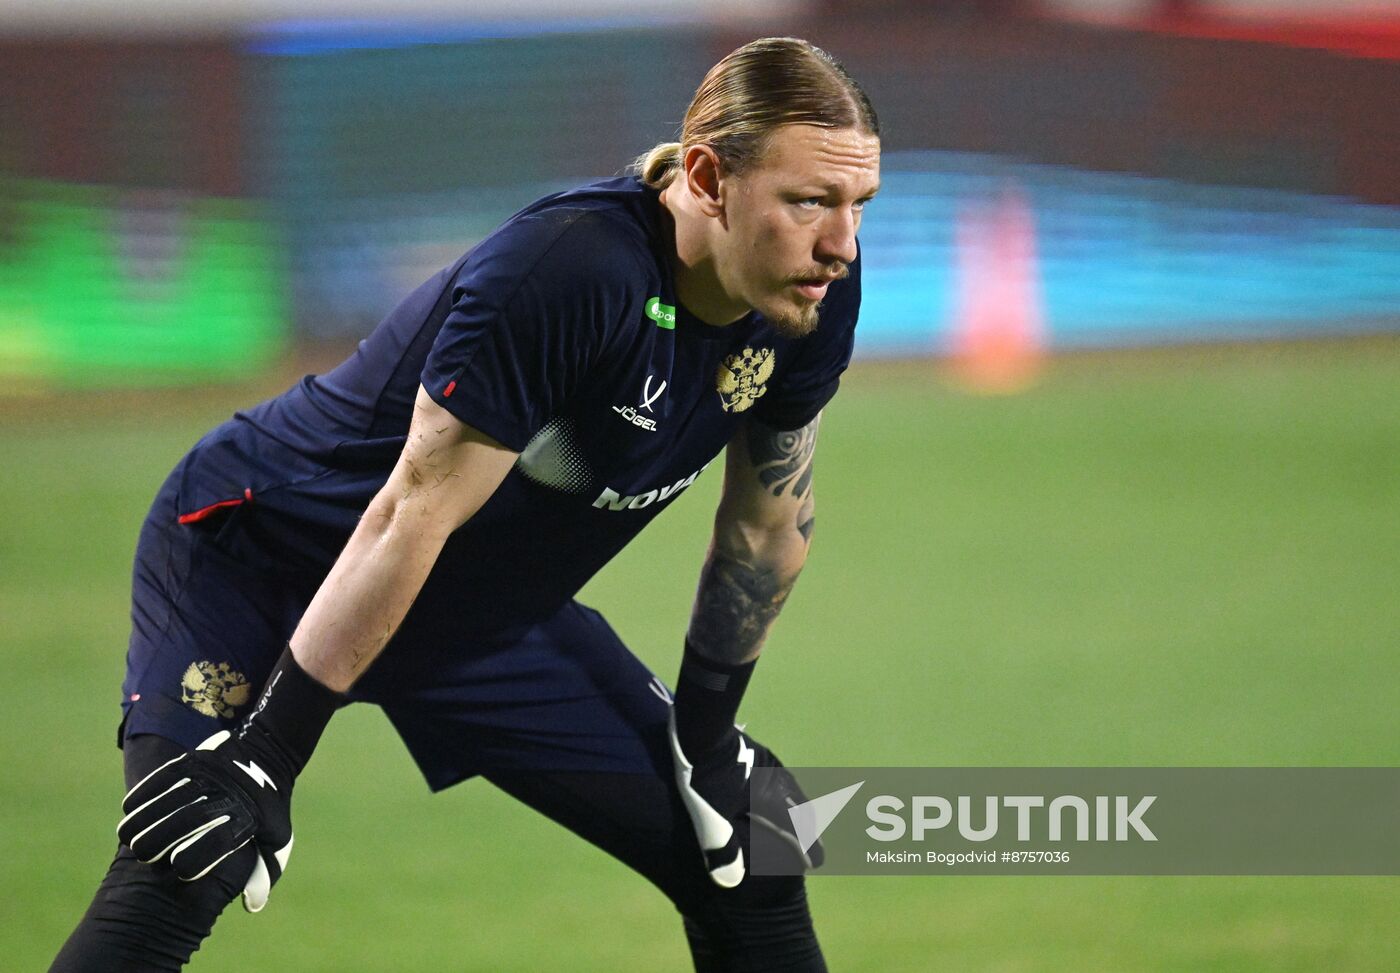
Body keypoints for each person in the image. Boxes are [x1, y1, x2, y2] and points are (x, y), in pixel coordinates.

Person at [51, 35, 881, 973]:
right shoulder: (572, 274)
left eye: (858, 205)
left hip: (473, 613)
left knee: (753, 847)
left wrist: (706, 729)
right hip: (261, 562)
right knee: (191, 855)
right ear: (705, 176)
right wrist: (266, 756)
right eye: (810, 200)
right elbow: (411, 513)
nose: (841, 242)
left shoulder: (806, 296)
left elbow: (766, 527)